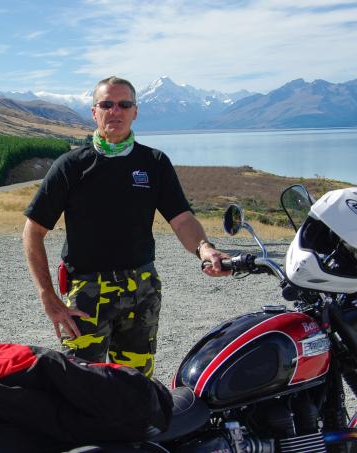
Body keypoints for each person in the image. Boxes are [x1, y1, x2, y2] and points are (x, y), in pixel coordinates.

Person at [23, 76, 230, 377]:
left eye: (124, 104)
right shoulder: (71, 166)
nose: (115, 111)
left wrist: (204, 248)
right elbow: (33, 231)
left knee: (136, 388)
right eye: (106, 104)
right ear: (94, 112)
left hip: (142, 290)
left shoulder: (154, 163)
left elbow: (182, 219)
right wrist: (47, 295)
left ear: (135, 111)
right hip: (86, 295)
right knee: (82, 387)